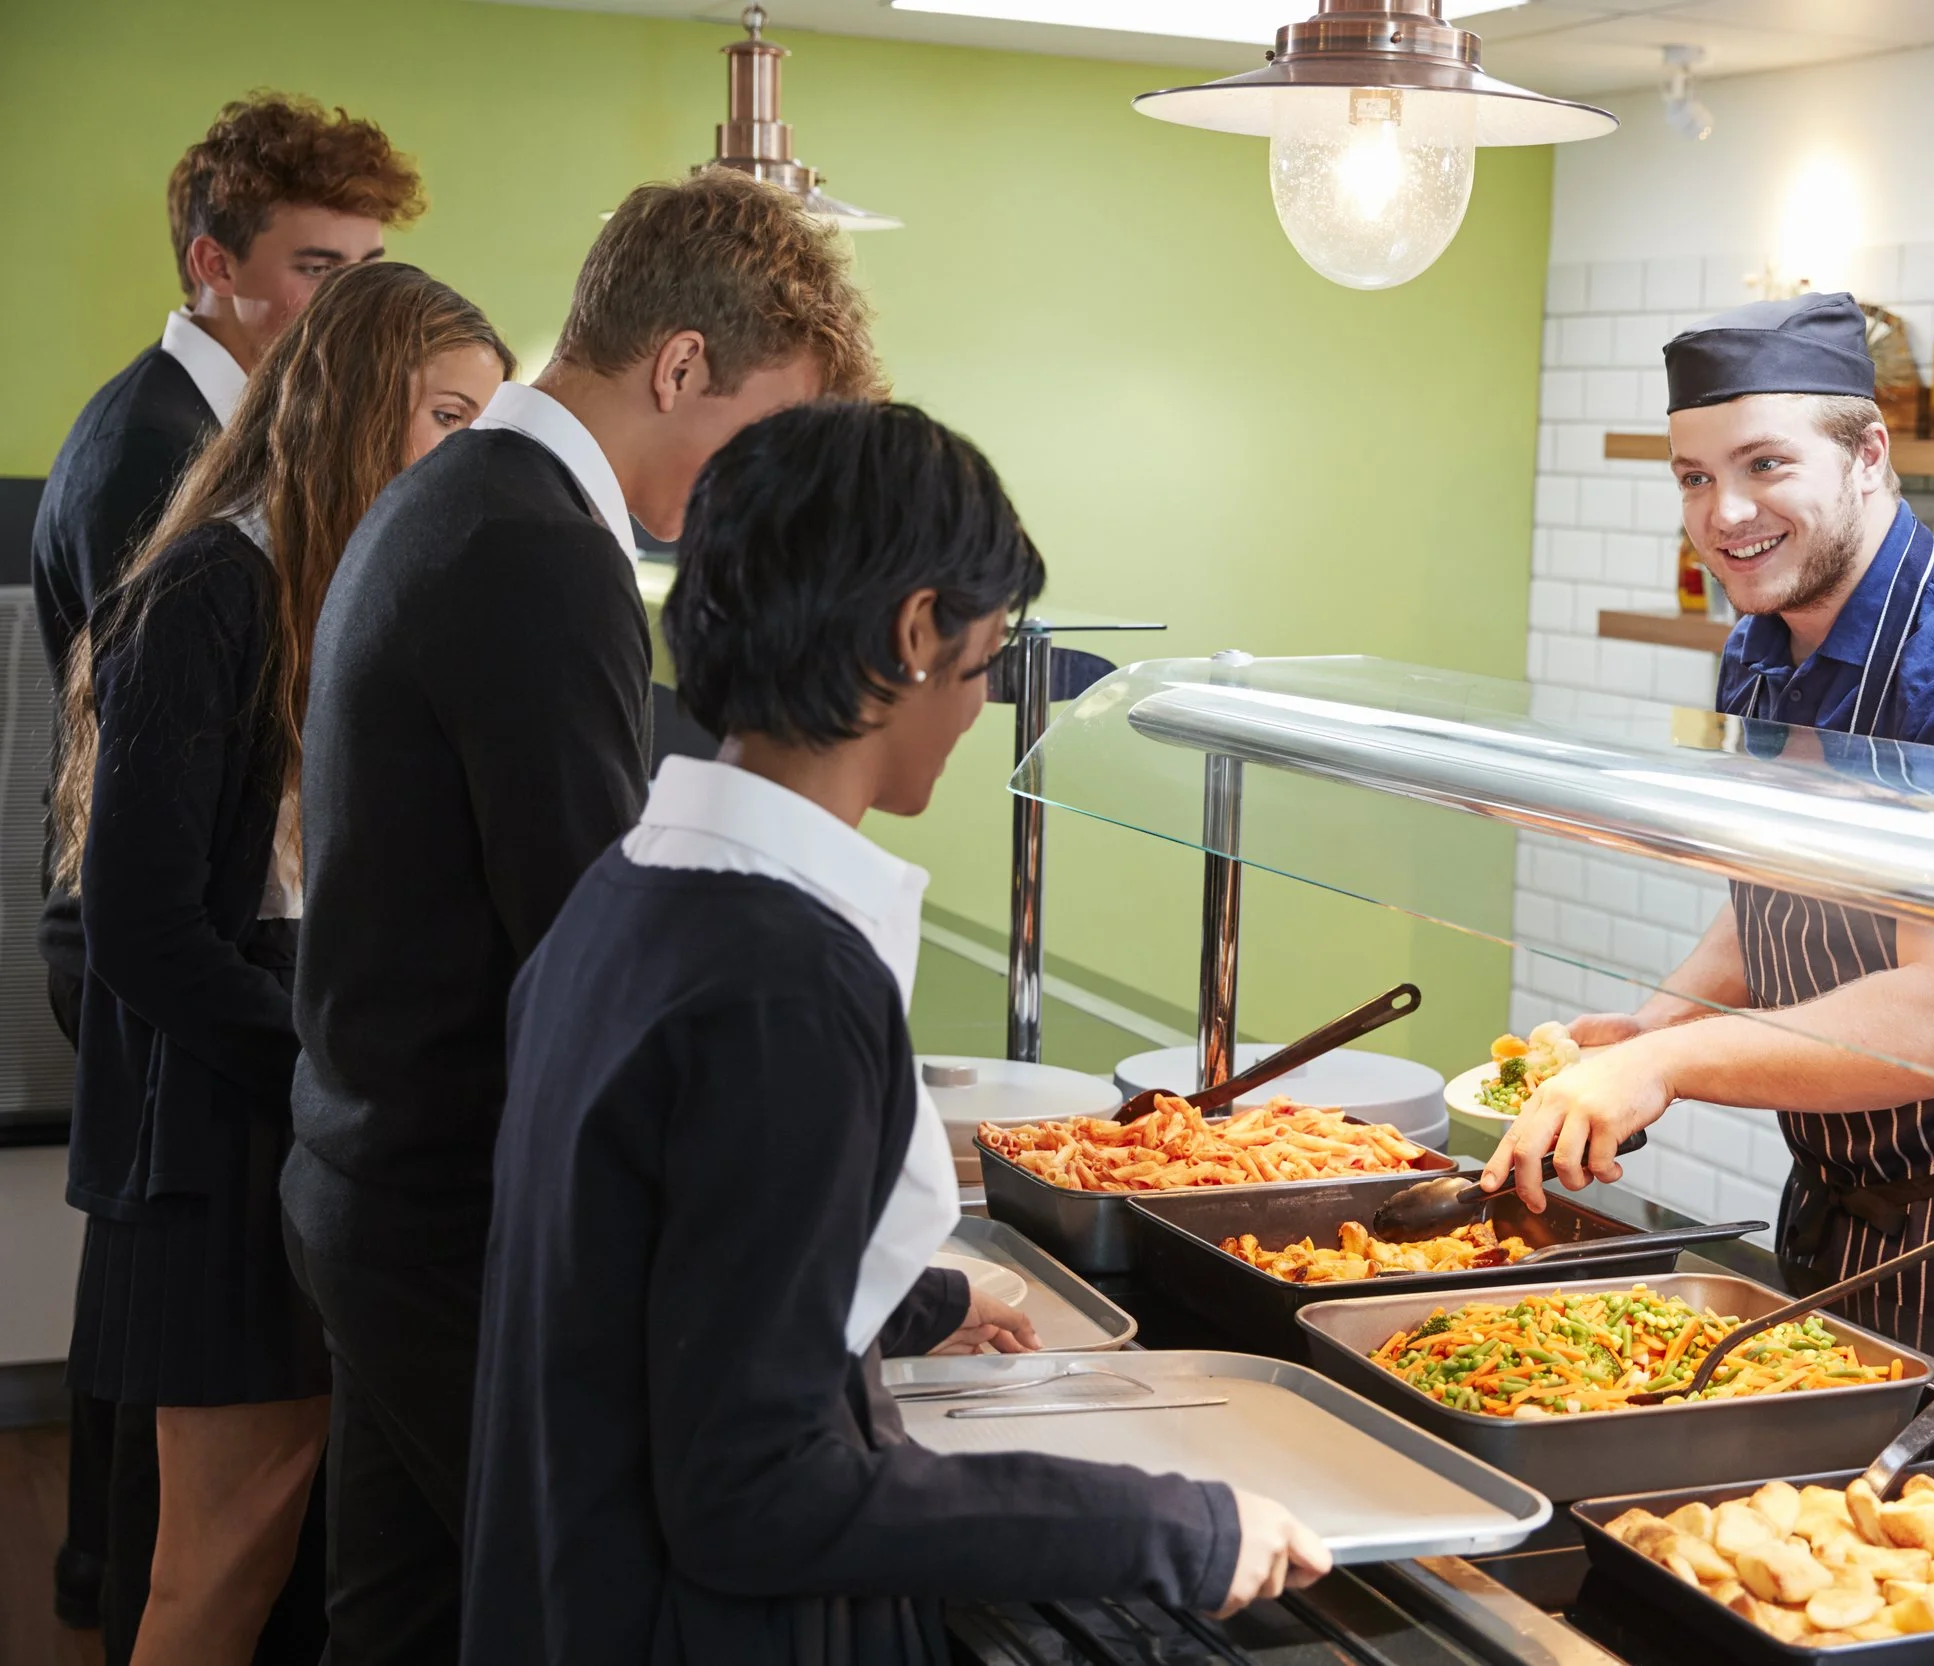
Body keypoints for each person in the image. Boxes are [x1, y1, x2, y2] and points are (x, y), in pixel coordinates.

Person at [462, 399, 1330, 1665]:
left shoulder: (630, 895)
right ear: (915, 632)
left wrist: (925, 1298)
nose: (978, 711)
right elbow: (757, 1495)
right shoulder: (784, 986)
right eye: (984, 664)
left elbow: (667, 1285)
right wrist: (1170, 1523)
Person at [283, 167, 884, 1666]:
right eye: (761, 431)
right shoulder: (539, 550)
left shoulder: (458, 495)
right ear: (678, 364)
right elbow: (596, 951)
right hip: (453, 1222)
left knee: (403, 1621)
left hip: (373, 1182)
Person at [1484, 293, 1934, 1426]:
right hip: (1849, 1190)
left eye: (1763, 464)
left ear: (1867, 455)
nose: (1725, 512)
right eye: (1693, 476)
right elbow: (1769, 914)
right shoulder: (1759, 646)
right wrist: (1648, 1031)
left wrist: (1670, 1067)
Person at [50, 261, 509, 1666]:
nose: (460, 457)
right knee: (215, 1563)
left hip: (293, 1124)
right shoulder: (210, 589)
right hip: (214, 1141)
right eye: (442, 416)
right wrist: (331, 1070)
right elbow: (141, 927)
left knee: (291, 1546)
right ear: (352, 406)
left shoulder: (339, 585)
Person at [27, 91, 422, 1649]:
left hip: (179, 922)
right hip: (153, 924)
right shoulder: (161, 457)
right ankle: (120, 1595)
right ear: (213, 265)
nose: (356, 302)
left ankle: (113, 1586)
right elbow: (163, 821)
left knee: (184, 1369)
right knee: (201, 1381)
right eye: (324, 267)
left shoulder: (215, 427)